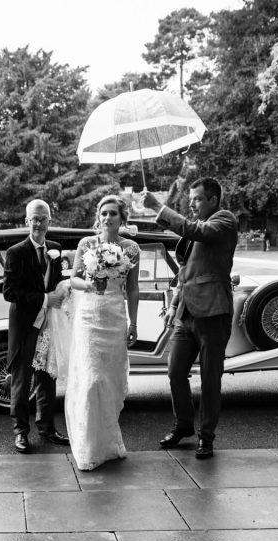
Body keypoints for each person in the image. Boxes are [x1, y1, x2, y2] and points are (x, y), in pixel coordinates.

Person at [141, 177, 238, 460]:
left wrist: (158, 207)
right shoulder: (198, 227)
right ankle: (184, 425)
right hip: (186, 313)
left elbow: (195, 230)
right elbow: (185, 273)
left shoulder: (224, 220)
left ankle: (206, 437)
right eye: (191, 198)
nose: (192, 203)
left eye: (197, 199)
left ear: (213, 200)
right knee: (174, 372)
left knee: (210, 380)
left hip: (213, 312)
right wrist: (173, 305)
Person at [65, 195, 140, 471]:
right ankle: (88, 448)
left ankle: (109, 445)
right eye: (104, 213)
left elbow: (132, 288)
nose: (108, 217)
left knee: (110, 383)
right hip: (89, 316)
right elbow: (73, 278)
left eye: (113, 213)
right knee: (91, 381)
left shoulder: (131, 249)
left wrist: (134, 323)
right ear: (98, 217)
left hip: (115, 316)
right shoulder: (87, 244)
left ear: (122, 218)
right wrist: (90, 284)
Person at [3, 199, 70, 453]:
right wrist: (44, 299)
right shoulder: (16, 252)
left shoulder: (55, 249)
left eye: (43, 219)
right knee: (22, 381)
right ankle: (20, 432)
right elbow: (9, 292)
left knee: (47, 376)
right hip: (25, 324)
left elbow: (56, 282)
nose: (39, 224)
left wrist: (62, 293)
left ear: (50, 221)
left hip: (50, 322)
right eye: (34, 219)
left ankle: (47, 428)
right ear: (26, 221)